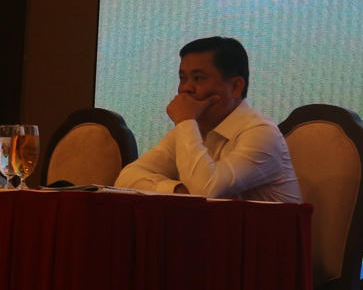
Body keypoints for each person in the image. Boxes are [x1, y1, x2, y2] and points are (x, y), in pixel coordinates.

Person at [115, 36, 302, 203]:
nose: (186, 89)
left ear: (236, 87)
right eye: (183, 78)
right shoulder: (192, 128)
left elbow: (204, 191)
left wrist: (185, 121)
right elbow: (126, 178)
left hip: (264, 231)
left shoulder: (262, 133)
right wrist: (178, 191)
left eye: (198, 78)